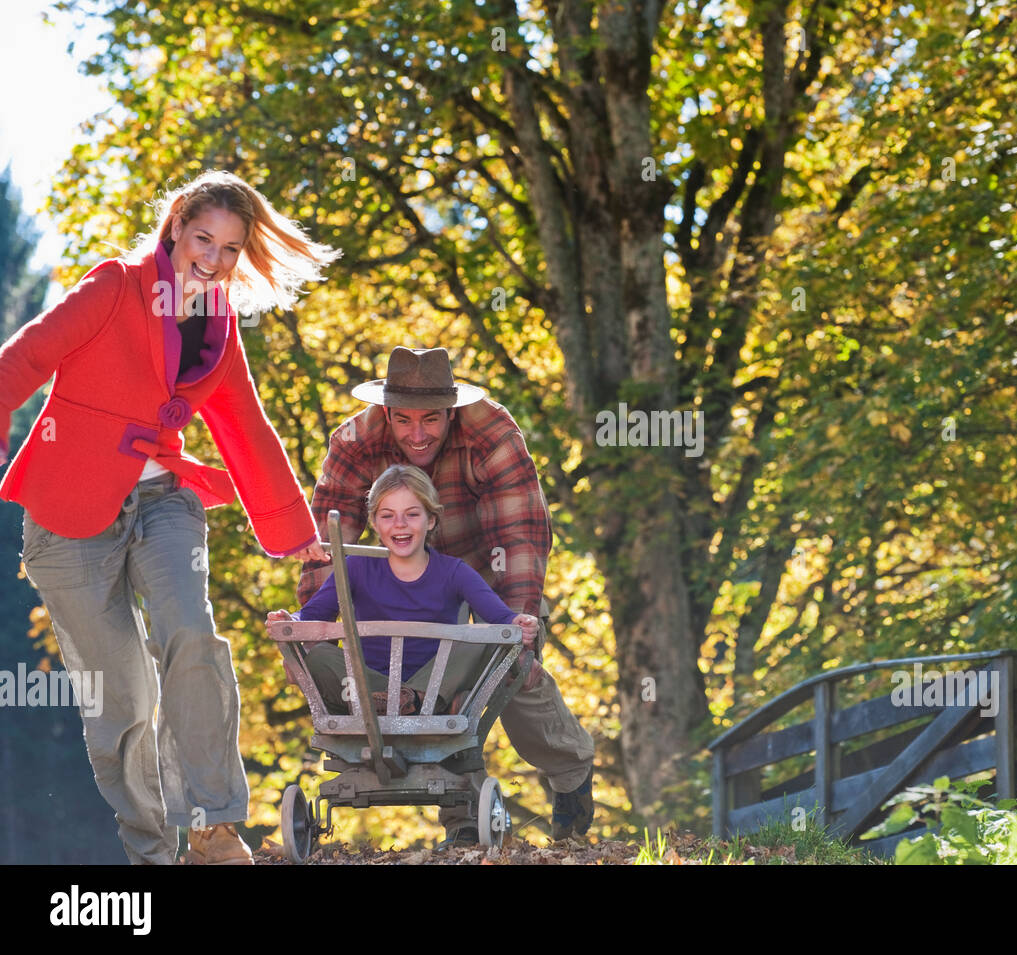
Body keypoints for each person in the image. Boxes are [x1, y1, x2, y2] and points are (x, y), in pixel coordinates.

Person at [0, 170, 337, 865]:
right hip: (68, 515)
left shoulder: (218, 324)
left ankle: (214, 826)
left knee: (191, 632)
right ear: (176, 224)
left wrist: (297, 532)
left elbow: (246, 426)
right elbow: (24, 358)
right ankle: (153, 854)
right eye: (204, 238)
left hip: (163, 502)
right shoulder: (114, 286)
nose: (212, 259)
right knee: (122, 696)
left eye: (232, 248)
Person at [298, 346, 595, 842]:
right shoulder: (353, 442)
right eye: (404, 421)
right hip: (399, 570)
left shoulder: (491, 434)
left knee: (508, 669)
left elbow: (519, 536)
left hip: (482, 563)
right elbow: (327, 548)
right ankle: (463, 817)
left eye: (432, 420)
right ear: (386, 412)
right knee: (429, 683)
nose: (418, 435)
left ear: (451, 411)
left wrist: (517, 628)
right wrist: (313, 639)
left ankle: (569, 769)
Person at [268, 464, 539, 717]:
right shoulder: (356, 568)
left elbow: (500, 617)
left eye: (412, 514)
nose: (400, 524)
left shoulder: (454, 571)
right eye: (388, 516)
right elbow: (312, 614)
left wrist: (518, 623)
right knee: (318, 656)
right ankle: (390, 700)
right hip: (366, 684)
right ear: (374, 522)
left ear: (431, 520)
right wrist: (289, 621)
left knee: (484, 637)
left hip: (434, 683)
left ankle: (415, 698)